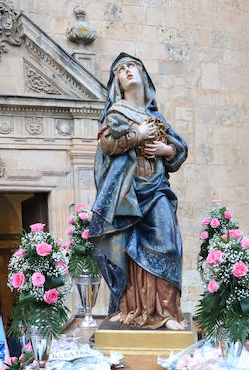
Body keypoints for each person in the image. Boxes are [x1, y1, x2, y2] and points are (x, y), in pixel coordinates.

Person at [89, 53, 189, 330]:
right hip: (126, 195)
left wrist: (165, 149)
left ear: (144, 76)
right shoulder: (116, 113)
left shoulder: (154, 116)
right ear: (117, 83)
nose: (127, 71)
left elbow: (179, 150)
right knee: (128, 250)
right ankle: (132, 307)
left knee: (168, 242)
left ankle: (166, 312)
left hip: (156, 189)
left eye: (132, 66)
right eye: (121, 70)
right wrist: (138, 137)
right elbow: (108, 145)